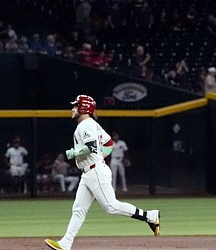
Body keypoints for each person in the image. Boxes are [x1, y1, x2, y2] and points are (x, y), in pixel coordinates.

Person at [45, 95, 160, 250]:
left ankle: (150, 216)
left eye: (75, 106)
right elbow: (109, 144)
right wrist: (99, 157)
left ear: (83, 108)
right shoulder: (93, 124)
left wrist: (75, 152)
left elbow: (91, 147)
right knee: (78, 210)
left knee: (111, 207)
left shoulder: (85, 125)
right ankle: (66, 243)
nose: (72, 109)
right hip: (90, 172)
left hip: (95, 171)